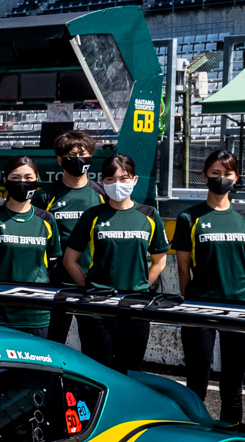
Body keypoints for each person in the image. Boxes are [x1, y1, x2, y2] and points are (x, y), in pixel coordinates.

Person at [174, 150, 245, 423]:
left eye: (227, 174)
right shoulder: (189, 217)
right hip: (199, 307)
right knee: (197, 386)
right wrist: (190, 300)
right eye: (215, 173)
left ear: (236, 178)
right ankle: (193, 437)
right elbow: (182, 267)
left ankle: (231, 438)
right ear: (204, 176)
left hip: (239, 308)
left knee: (233, 388)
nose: (221, 179)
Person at [63, 154, 168, 375]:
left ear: (135, 180)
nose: (117, 184)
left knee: (131, 374)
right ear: (102, 181)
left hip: (136, 308)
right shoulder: (92, 215)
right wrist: (91, 289)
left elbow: (160, 261)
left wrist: (140, 287)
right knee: (98, 373)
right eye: (110, 179)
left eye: (124, 178)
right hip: (96, 311)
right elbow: (69, 260)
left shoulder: (149, 215)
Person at [0, 156, 60, 336]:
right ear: (5, 181)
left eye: (28, 178)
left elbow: (52, 264)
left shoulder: (47, 220)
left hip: (36, 314)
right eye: (15, 178)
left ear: (37, 180)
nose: (22, 183)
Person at [35, 130, 103, 347]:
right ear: (59, 160)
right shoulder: (45, 195)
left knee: (95, 350)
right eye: (71, 156)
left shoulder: (102, 194)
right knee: (51, 347)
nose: (78, 160)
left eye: (82, 154)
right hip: (55, 286)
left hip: (92, 285)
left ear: (91, 157)